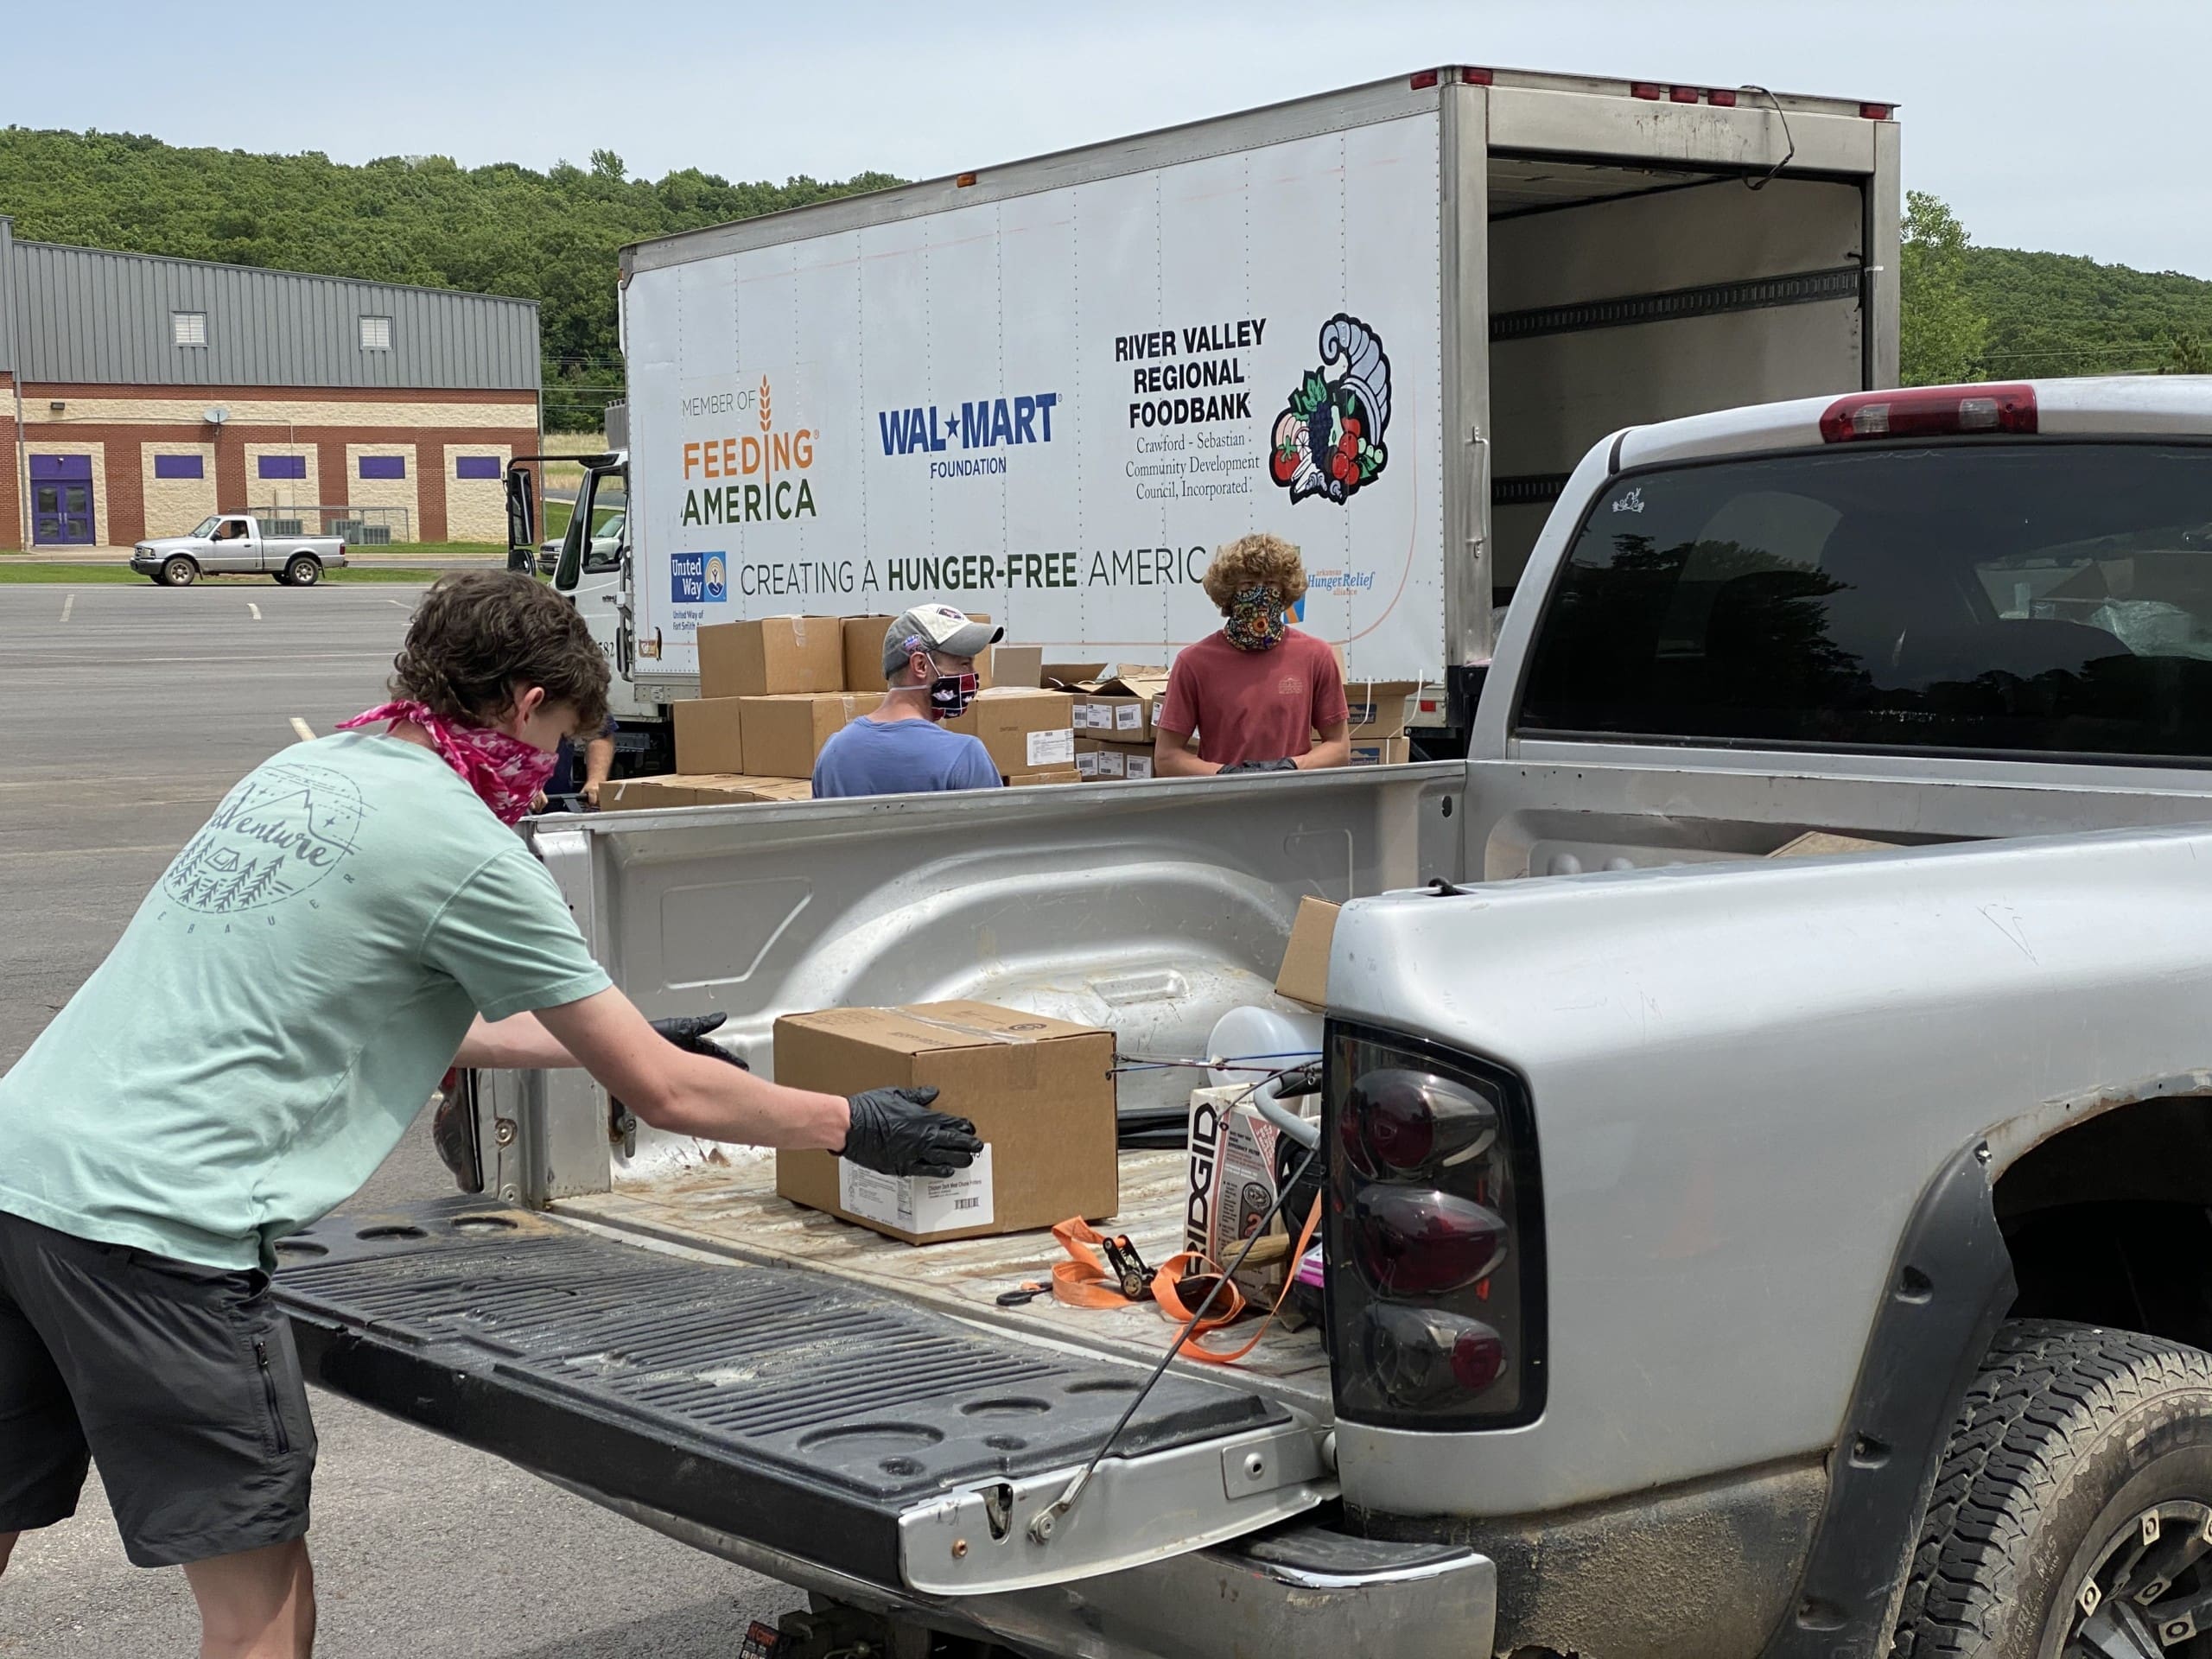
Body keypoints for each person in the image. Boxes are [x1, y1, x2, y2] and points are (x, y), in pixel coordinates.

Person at [0, 570, 979, 1659]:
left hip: (19, 1173)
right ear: (525, 703)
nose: (558, 759)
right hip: (154, 1229)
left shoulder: (308, 769)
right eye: (564, 729)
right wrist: (850, 1121)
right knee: (259, 1603)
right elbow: (668, 1099)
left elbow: (396, 1018)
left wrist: (625, 1040)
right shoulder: (467, 846)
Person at [1154, 533, 1351, 776]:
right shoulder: (1193, 663)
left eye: (1270, 585)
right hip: (1222, 805)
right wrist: (1224, 774)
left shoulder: (1316, 656)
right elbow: (1166, 757)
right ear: (1229, 592)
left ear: (1286, 590)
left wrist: (1292, 767)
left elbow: (1339, 748)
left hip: (1293, 804)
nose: (1259, 595)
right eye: (1247, 585)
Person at [812, 603, 1006, 798]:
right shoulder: (965, 756)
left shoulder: (834, 753)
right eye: (964, 664)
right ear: (920, 665)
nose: (972, 675)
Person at [535, 713, 617, 810]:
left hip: (558, 802)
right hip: (516, 803)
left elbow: (600, 730)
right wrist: (523, 783)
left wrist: (596, 780)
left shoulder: (579, 699)